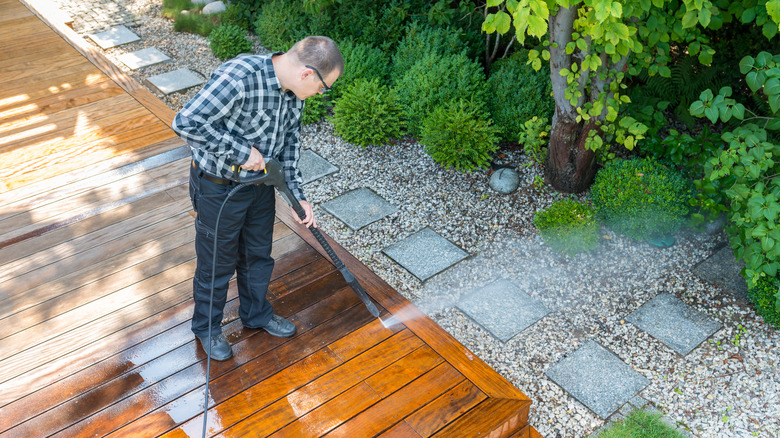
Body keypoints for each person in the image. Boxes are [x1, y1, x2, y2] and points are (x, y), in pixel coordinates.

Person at [172, 36, 343, 361]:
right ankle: (207, 327)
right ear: (308, 73)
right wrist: (240, 151)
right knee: (217, 263)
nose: (322, 93)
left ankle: (256, 314)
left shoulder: (294, 93)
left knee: (257, 255)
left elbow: (290, 143)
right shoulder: (240, 76)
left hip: (261, 187)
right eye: (324, 86)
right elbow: (186, 122)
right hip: (219, 186)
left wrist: (298, 196)